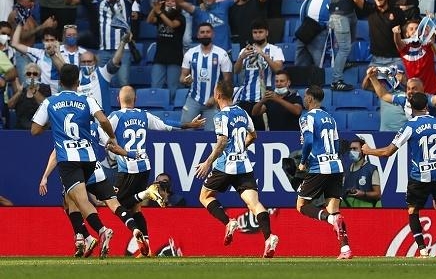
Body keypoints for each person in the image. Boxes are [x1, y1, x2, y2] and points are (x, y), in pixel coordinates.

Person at [31, 64, 149, 258]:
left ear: (60, 82)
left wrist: (54, 123)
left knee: (78, 200)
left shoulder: (50, 102)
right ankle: (88, 236)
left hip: (69, 159)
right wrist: (113, 137)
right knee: (81, 199)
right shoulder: (87, 100)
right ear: (78, 82)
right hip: (90, 161)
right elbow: (103, 121)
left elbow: (35, 130)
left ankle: (98, 232)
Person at [362, 92, 436, 258]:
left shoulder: (410, 126)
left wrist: (368, 151)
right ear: (426, 106)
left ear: (411, 107)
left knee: (413, 211)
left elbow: (388, 151)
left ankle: (423, 249)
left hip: (420, 176)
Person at [106, 86, 205, 254]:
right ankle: (146, 244)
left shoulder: (115, 117)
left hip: (128, 168)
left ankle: (147, 193)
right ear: (135, 100)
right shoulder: (144, 115)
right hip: (144, 166)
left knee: (118, 204)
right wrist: (190, 124)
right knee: (136, 209)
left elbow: (104, 136)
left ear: (118, 100)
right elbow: (167, 126)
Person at [194, 81, 278, 258]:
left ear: (217, 95)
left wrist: (208, 162)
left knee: (205, 196)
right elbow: (253, 135)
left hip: (225, 166)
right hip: (244, 166)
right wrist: (241, 149)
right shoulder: (243, 113)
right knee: (254, 204)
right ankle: (269, 237)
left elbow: (222, 142)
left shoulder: (220, 116)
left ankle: (228, 222)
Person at [295, 85, 352, 259]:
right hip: (336, 166)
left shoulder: (307, 118)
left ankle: (330, 220)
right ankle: (345, 249)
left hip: (319, 167)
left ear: (310, 98)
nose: (304, 99)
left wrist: (303, 162)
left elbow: (309, 141)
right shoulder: (330, 118)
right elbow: (336, 144)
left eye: (305, 97)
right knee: (334, 210)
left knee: (301, 206)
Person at [233, 18, 285, 131]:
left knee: (262, 131)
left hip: (265, 98)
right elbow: (236, 71)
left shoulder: (275, 50)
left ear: (266, 33)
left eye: (260, 32)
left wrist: (264, 55)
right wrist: (241, 58)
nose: (257, 35)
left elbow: (278, 70)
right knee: (244, 133)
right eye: (255, 32)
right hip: (246, 98)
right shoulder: (245, 51)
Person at [179, 22, 233, 131]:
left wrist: (216, 97)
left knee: (212, 136)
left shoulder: (221, 54)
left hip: (214, 101)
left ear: (213, 34)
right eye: (202, 32)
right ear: (198, 35)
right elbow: (182, 77)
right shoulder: (190, 53)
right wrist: (185, 81)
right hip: (193, 99)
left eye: (208, 32)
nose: (205, 34)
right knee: (185, 132)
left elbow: (228, 80)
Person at [146, 0, 185, 97]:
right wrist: (155, 8)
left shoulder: (180, 17)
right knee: (155, 86)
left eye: (173, 1)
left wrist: (159, 12)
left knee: (173, 88)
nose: (170, 3)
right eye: (167, 1)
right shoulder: (160, 16)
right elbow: (149, 20)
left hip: (175, 58)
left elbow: (172, 24)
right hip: (159, 58)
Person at [7, 63, 51, 130]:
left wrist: (34, 90)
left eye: (35, 74)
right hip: (21, 129)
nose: (31, 76)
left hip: (39, 129)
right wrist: (18, 93)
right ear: (25, 76)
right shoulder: (21, 91)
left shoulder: (45, 88)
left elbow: (45, 105)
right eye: (29, 74)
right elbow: (9, 106)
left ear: (39, 76)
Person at [342, 137, 382, 208]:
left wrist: (363, 194)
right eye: (350, 149)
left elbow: (378, 194)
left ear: (363, 151)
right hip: (348, 210)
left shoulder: (371, 169)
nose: (351, 151)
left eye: (355, 149)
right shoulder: (346, 170)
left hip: (366, 210)